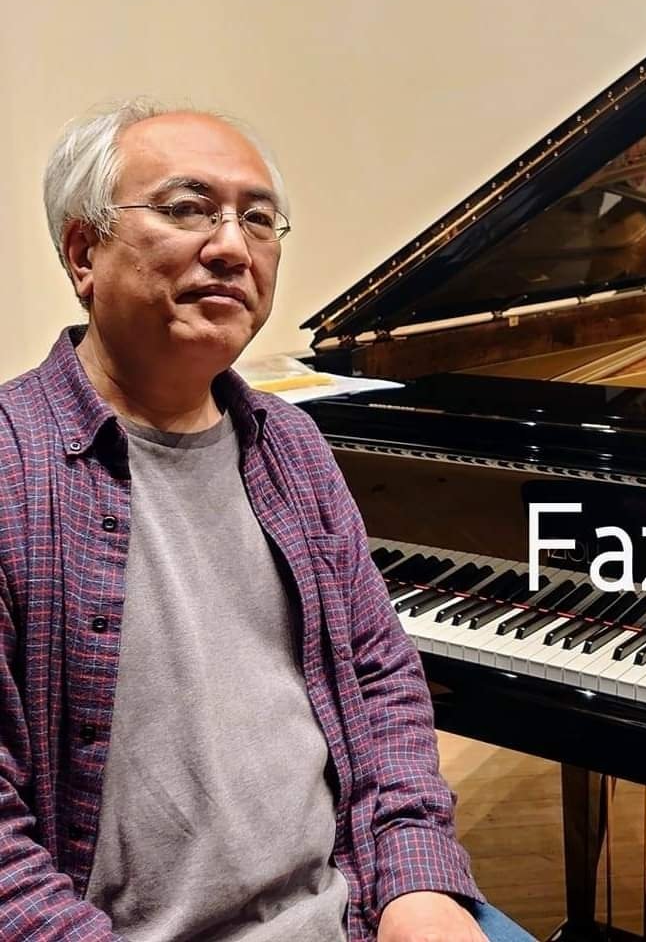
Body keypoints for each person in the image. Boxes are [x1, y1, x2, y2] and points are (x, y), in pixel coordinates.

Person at [0, 100, 533, 942]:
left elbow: (381, 683)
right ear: (82, 252)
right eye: (187, 208)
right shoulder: (10, 468)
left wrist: (417, 883)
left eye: (257, 219)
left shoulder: (291, 445)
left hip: (357, 908)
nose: (231, 246)